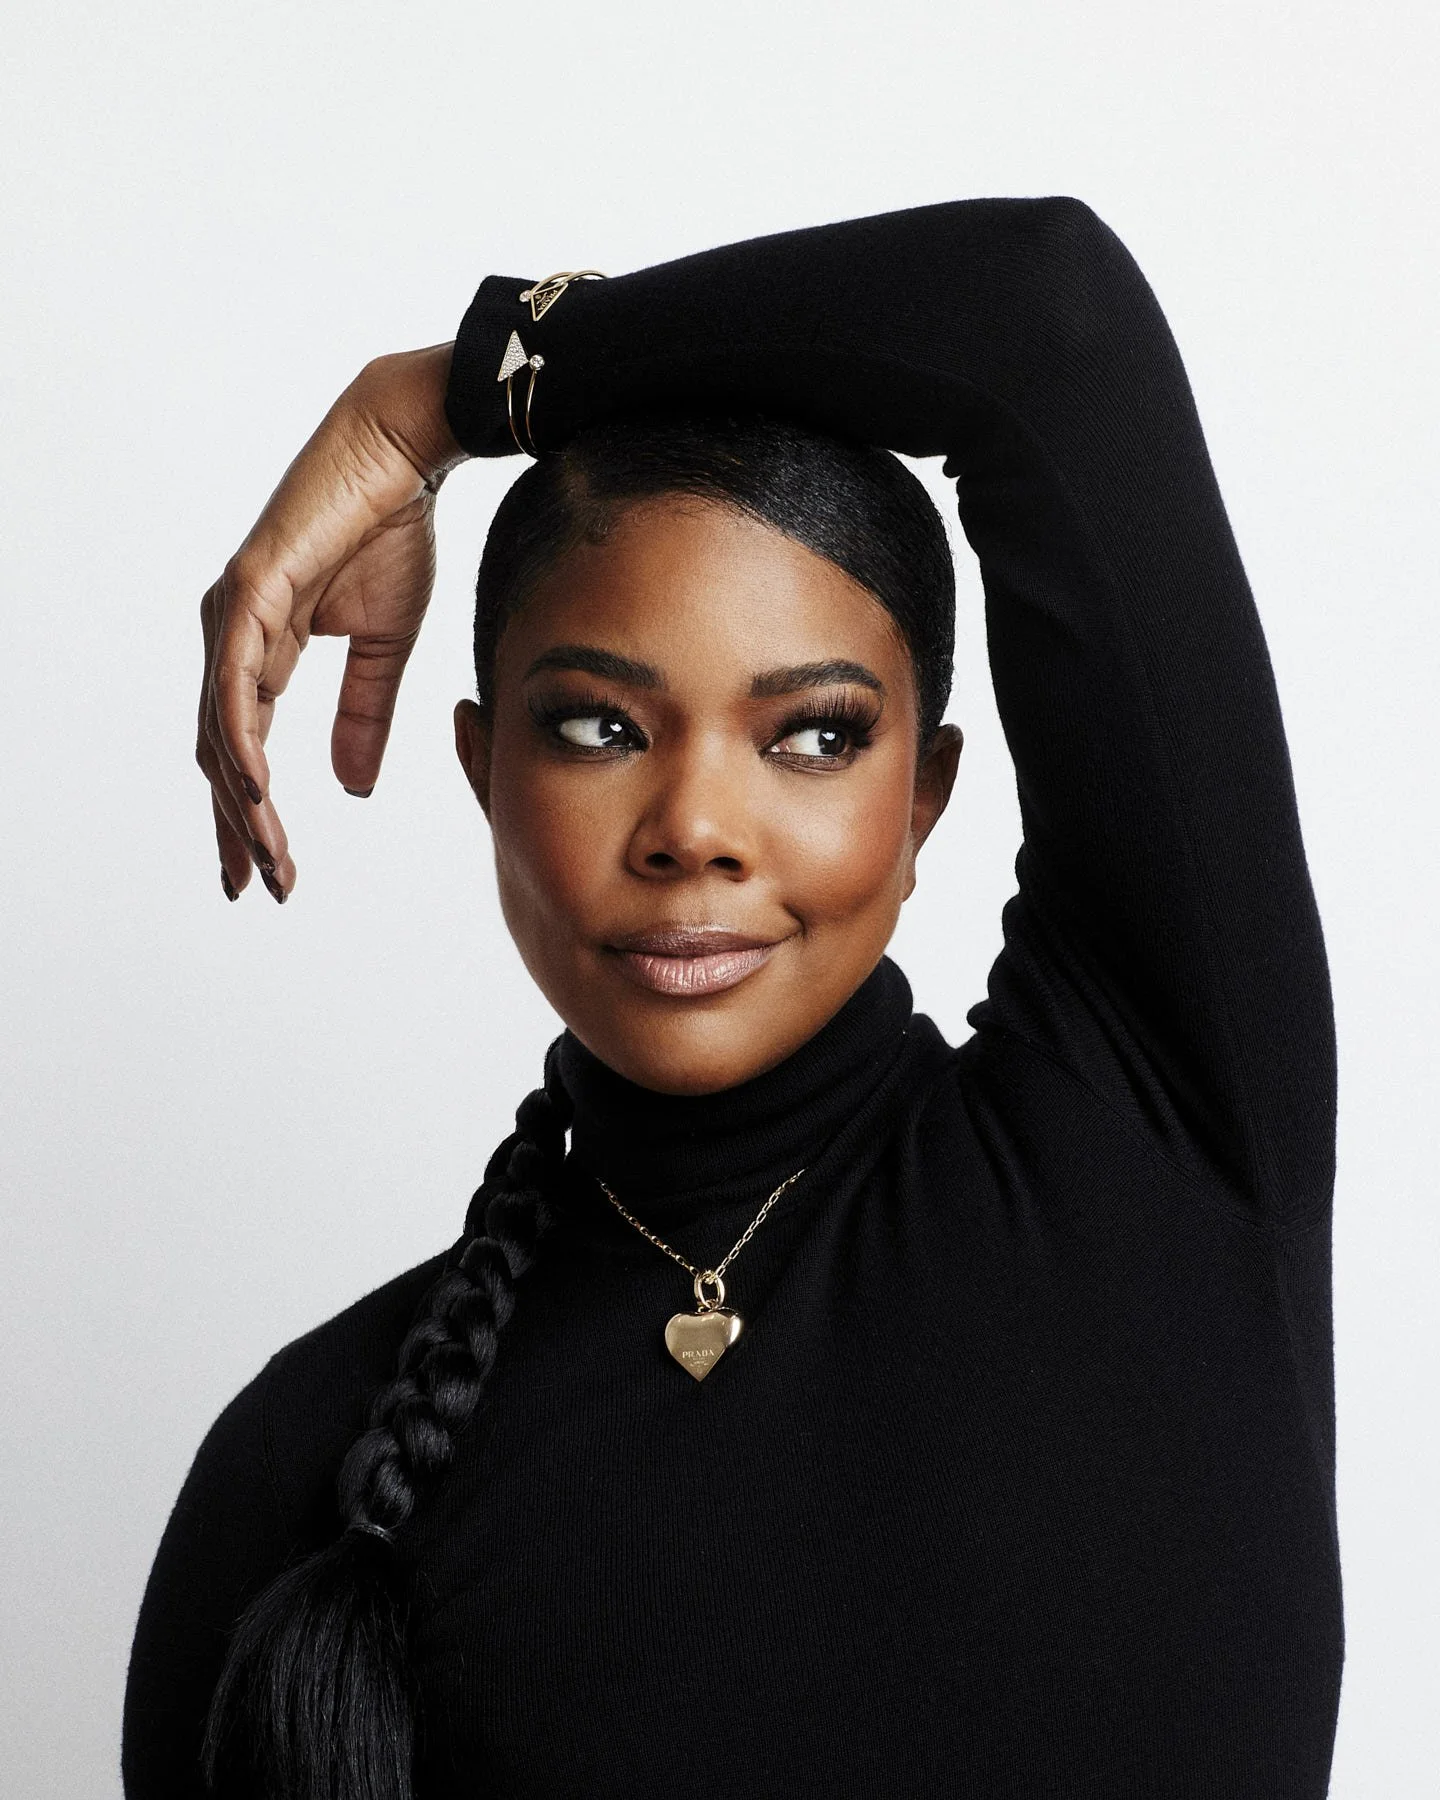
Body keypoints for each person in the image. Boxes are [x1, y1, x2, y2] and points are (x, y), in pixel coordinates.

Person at [124, 197, 1343, 1798]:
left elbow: (1044, 317)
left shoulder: (1152, 1141)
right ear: (482, 772)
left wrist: (442, 399)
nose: (694, 827)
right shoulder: (305, 1479)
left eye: (815, 735)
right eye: (599, 728)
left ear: (926, 793)